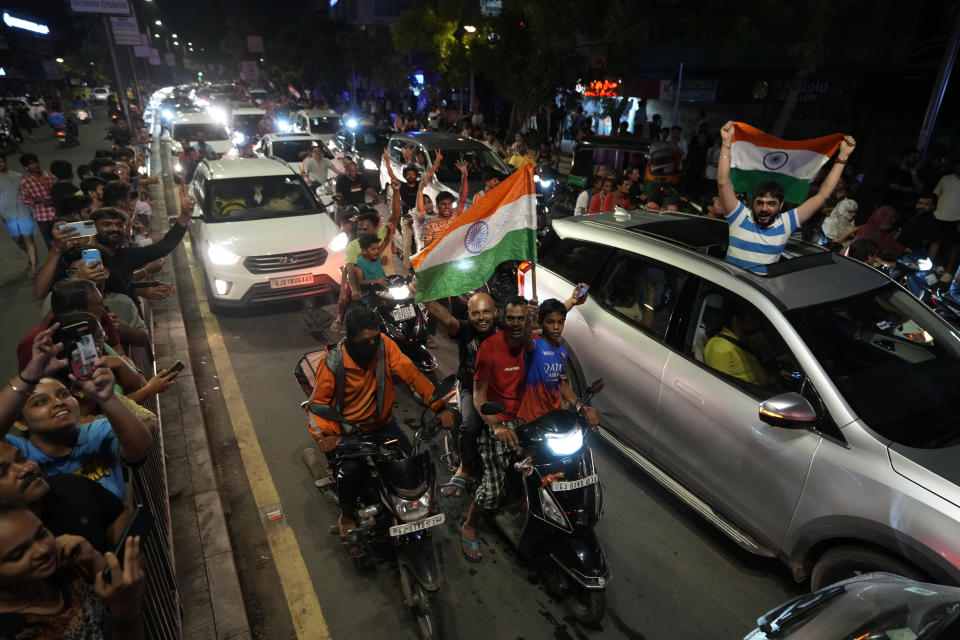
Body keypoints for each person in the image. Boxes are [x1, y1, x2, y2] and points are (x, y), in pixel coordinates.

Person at [306, 306, 455, 556]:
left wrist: (439, 406)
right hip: (350, 432)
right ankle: (347, 517)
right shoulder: (334, 362)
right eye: (366, 340)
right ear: (351, 337)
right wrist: (326, 436)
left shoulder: (385, 345)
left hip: (384, 424)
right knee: (350, 473)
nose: (373, 344)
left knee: (412, 463)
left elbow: (411, 374)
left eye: (375, 337)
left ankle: (419, 506)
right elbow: (317, 406)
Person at [717, 121, 856, 273]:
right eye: (760, 202)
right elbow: (723, 182)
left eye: (771, 203)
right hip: (730, 289)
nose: (764, 208)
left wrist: (843, 156)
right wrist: (726, 142)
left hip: (758, 295)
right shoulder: (738, 216)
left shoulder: (786, 223)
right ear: (753, 202)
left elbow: (823, 195)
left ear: (780, 205)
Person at [460, 296, 532, 562]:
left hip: (525, 417)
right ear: (504, 318)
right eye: (511, 318)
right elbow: (479, 397)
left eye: (522, 318)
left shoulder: (531, 345)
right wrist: (497, 425)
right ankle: (469, 524)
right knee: (493, 488)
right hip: (497, 418)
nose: (516, 323)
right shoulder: (489, 348)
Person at [0, 440, 131, 554]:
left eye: (22, 458)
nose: (26, 469)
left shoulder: (70, 486)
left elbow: (120, 513)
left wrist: (127, 560)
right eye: (3, 473)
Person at [518, 299, 598, 426]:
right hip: (532, 419)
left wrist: (580, 404)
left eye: (560, 322)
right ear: (540, 323)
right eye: (550, 322)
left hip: (554, 418)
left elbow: (558, 382)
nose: (556, 327)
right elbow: (526, 338)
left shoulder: (562, 352)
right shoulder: (534, 347)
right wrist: (528, 319)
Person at [704, 303, 772, 387]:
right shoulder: (720, 346)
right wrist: (755, 386)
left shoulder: (746, 342)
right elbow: (718, 386)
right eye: (752, 319)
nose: (757, 323)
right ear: (736, 320)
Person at [0, 154, 38, 276]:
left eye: (1, 161)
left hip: (23, 212)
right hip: (7, 215)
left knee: (28, 240)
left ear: (5, 162)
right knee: (17, 239)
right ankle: (30, 257)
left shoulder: (18, 177)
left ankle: (34, 266)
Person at [18, 153, 58, 248]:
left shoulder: (49, 176)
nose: (35, 165)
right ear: (26, 167)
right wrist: (37, 200)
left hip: (56, 213)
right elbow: (25, 199)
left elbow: (57, 190)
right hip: (42, 217)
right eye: (31, 164)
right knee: (50, 243)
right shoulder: (25, 182)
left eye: (36, 162)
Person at [932, 164, 960, 275]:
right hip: (938, 216)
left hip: (957, 220)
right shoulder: (946, 178)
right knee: (935, 242)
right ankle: (930, 267)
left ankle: (948, 270)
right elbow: (935, 194)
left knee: (954, 245)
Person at [820, 176, 859, 245]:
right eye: (836, 181)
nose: (837, 184)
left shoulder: (849, 198)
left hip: (837, 232)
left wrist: (832, 210)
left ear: (846, 184)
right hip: (824, 228)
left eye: (840, 182)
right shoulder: (830, 195)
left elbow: (847, 215)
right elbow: (823, 210)